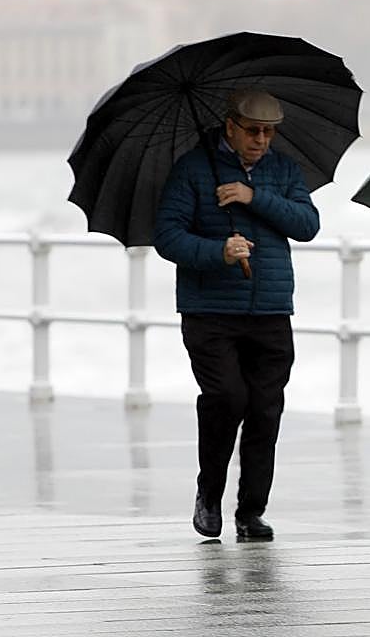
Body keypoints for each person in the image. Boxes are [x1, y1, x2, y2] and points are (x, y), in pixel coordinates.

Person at [154, 88, 319, 540]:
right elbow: (167, 236)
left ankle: (251, 511)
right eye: (253, 131)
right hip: (210, 311)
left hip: (270, 309)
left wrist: (253, 196)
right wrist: (218, 252)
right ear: (230, 126)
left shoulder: (282, 170)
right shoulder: (193, 168)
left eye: (269, 133)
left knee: (266, 410)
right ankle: (209, 494)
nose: (261, 140)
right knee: (228, 399)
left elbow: (308, 225)